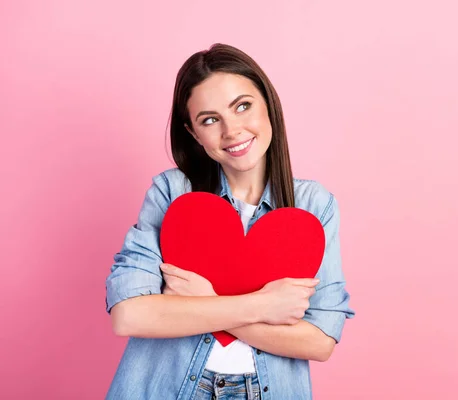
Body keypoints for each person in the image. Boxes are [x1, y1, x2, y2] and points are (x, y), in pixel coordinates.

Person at [104, 43, 355, 400]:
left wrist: (202, 302)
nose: (232, 130)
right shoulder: (173, 193)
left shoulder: (315, 206)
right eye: (210, 119)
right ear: (193, 133)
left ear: (268, 104)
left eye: (242, 106)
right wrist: (264, 306)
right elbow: (129, 316)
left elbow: (319, 341)